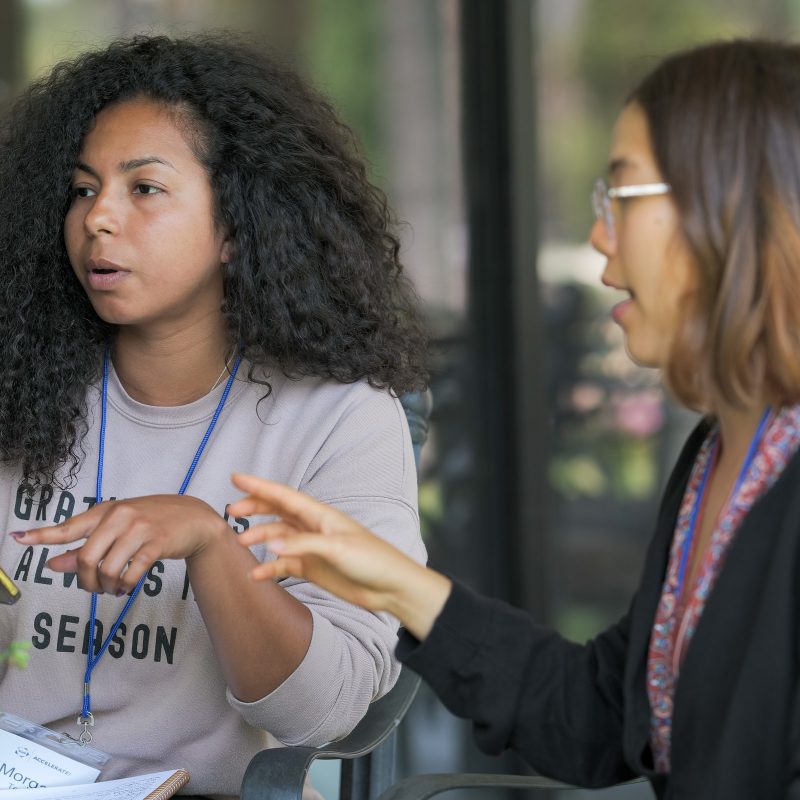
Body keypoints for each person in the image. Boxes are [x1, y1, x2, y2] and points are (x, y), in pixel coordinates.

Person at [227, 39, 800, 799]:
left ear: (731, 209)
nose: (599, 236)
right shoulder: (716, 453)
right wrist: (395, 582)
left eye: (621, 198)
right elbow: (598, 719)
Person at [0, 34, 427, 799]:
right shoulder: (19, 387)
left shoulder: (337, 419)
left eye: (144, 189)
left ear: (236, 225)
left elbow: (328, 714)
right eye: (82, 188)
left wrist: (209, 544)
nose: (98, 218)